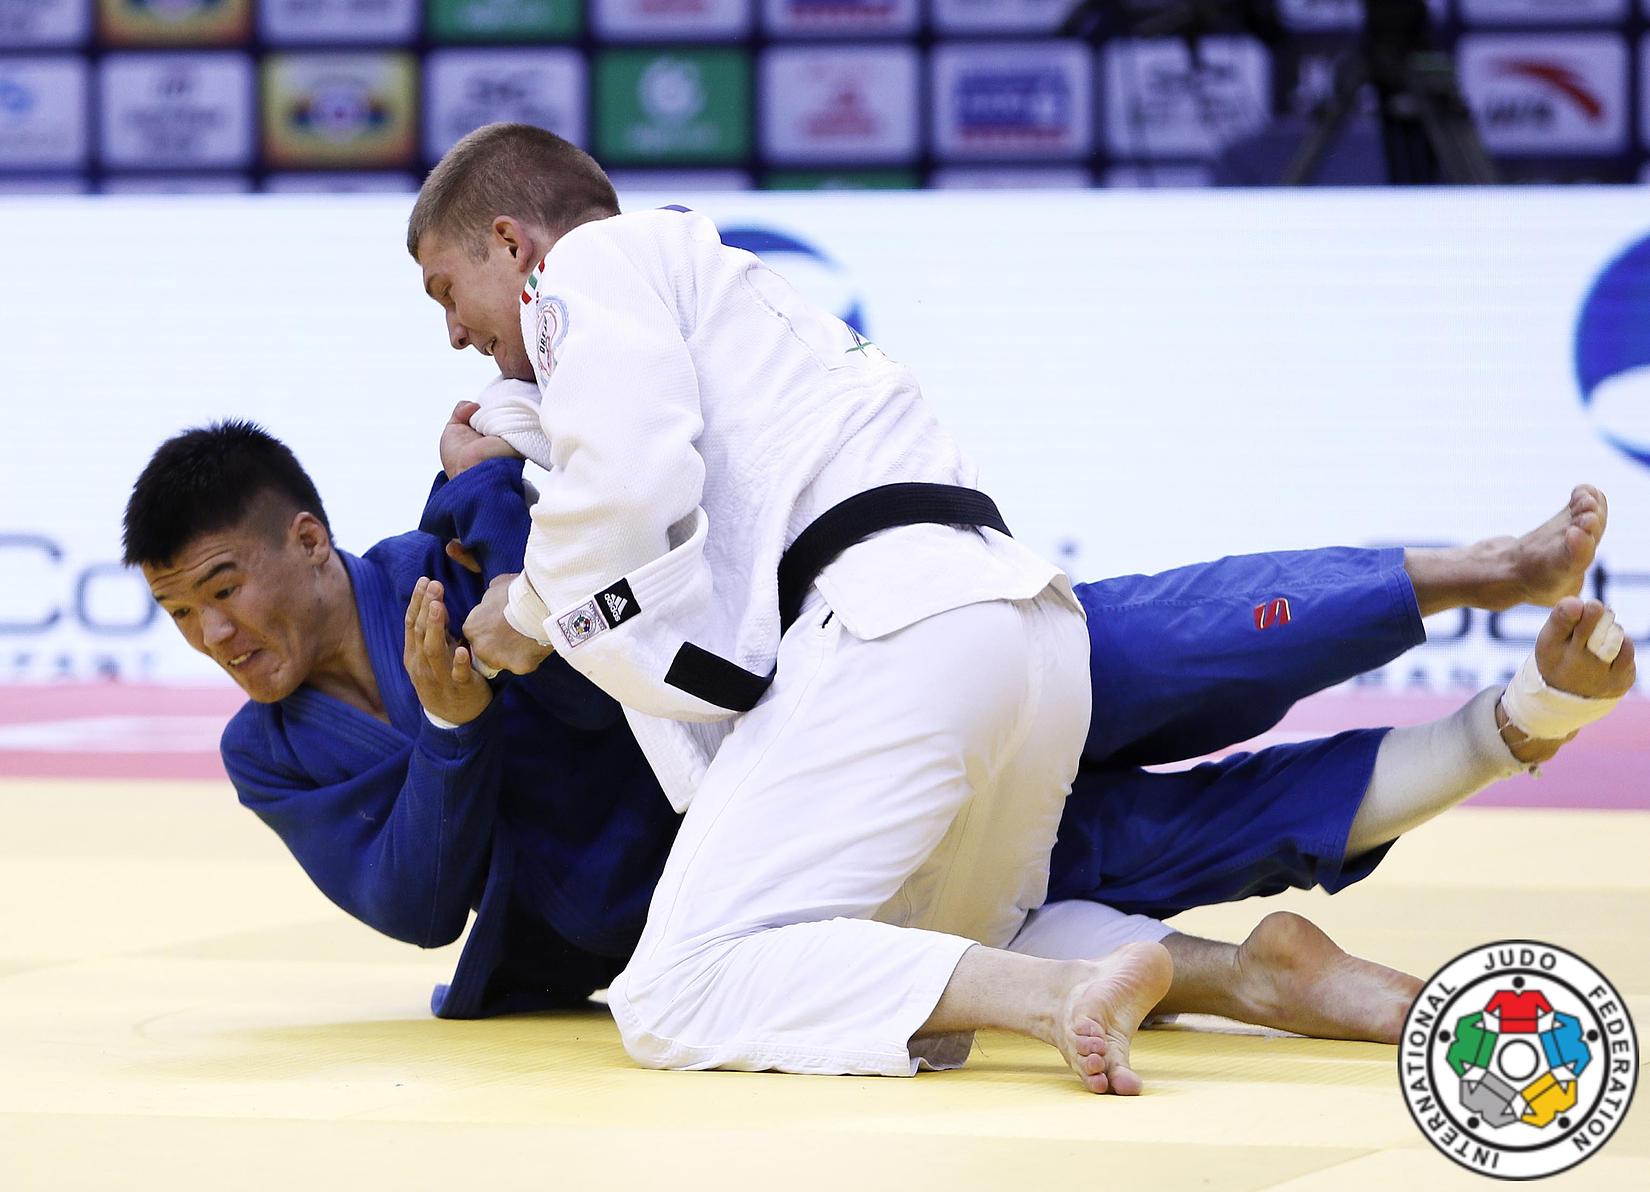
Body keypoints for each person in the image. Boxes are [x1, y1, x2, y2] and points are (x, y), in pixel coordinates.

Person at [405, 123, 1635, 1092]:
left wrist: (532, 606)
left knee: (673, 988)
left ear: (514, 241)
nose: (455, 332)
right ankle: (1243, 973)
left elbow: (629, 486)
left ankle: (1058, 998)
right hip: (1021, 637)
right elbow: (645, 463)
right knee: (898, 934)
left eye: (446, 288)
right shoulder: (722, 289)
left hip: (895, 637)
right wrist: (512, 433)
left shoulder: (593, 264)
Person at [123, 419, 1632, 1054]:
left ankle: (1480, 575)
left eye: (222, 587)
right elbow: (410, 902)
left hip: (831, 714)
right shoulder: (270, 750)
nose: (214, 635)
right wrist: (457, 733)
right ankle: (1507, 727)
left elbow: (609, 504)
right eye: (181, 615)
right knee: (1133, 833)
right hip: (787, 856)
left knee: (1147, 647)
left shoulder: (466, 547)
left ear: (308, 541)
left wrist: (491, 468)